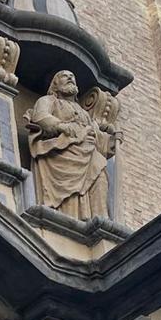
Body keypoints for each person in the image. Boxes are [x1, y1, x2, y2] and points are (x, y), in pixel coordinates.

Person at [25, 70, 108, 220]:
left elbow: (99, 138)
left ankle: (100, 220)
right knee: (70, 191)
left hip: (89, 155)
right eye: (64, 76)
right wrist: (62, 127)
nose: (70, 77)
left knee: (100, 175)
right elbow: (40, 117)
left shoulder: (83, 111)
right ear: (55, 85)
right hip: (63, 153)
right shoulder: (48, 101)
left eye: (72, 77)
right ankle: (69, 218)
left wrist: (111, 141)